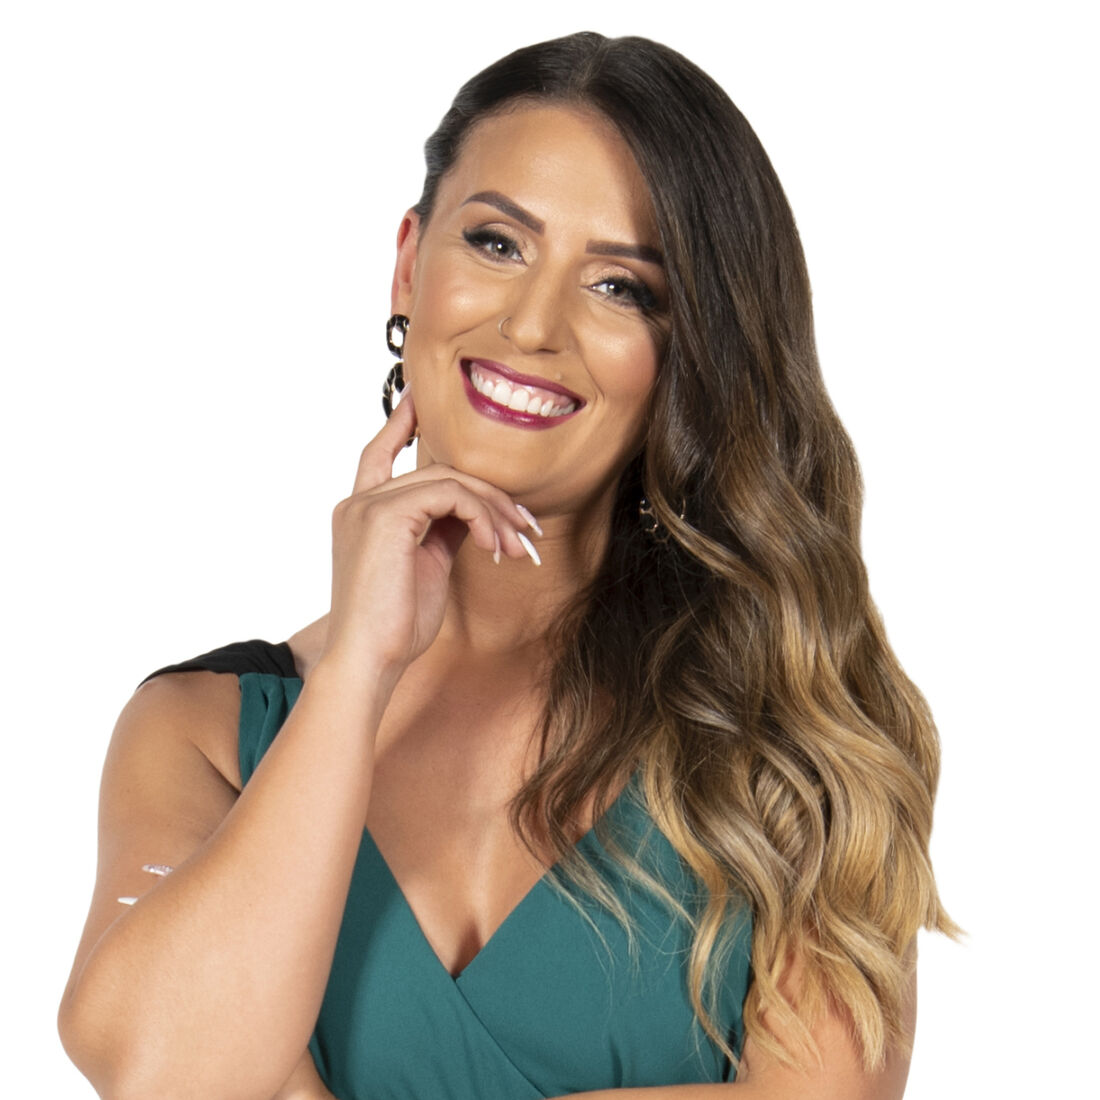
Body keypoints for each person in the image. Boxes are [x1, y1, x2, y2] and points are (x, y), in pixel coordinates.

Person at [58, 31, 953, 1100]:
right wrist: (355, 677)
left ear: (692, 349)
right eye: (496, 243)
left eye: (620, 286)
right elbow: (163, 1073)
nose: (532, 325)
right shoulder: (202, 729)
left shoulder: (796, 732)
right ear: (408, 263)